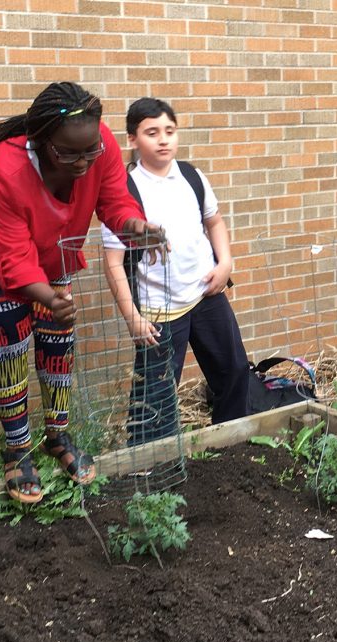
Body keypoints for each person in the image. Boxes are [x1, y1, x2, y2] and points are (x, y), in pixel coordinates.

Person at [0, 81, 163, 504]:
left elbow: (115, 201)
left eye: (90, 151)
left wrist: (136, 227)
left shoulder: (96, 145)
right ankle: (17, 448)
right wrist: (48, 298)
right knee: (10, 343)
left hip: (53, 246)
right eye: (69, 153)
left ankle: (57, 436)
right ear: (44, 142)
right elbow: (12, 258)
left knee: (58, 339)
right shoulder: (7, 168)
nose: (82, 162)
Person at [101, 97, 249, 443]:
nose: (163, 139)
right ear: (132, 140)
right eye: (152, 132)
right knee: (156, 394)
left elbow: (214, 221)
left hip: (205, 294)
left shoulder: (192, 176)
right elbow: (112, 263)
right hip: (158, 311)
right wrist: (132, 317)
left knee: (233, 372)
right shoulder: (123, 192)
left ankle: (232, 441)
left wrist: (224, 262)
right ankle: (149, 463)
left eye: (169, 130)